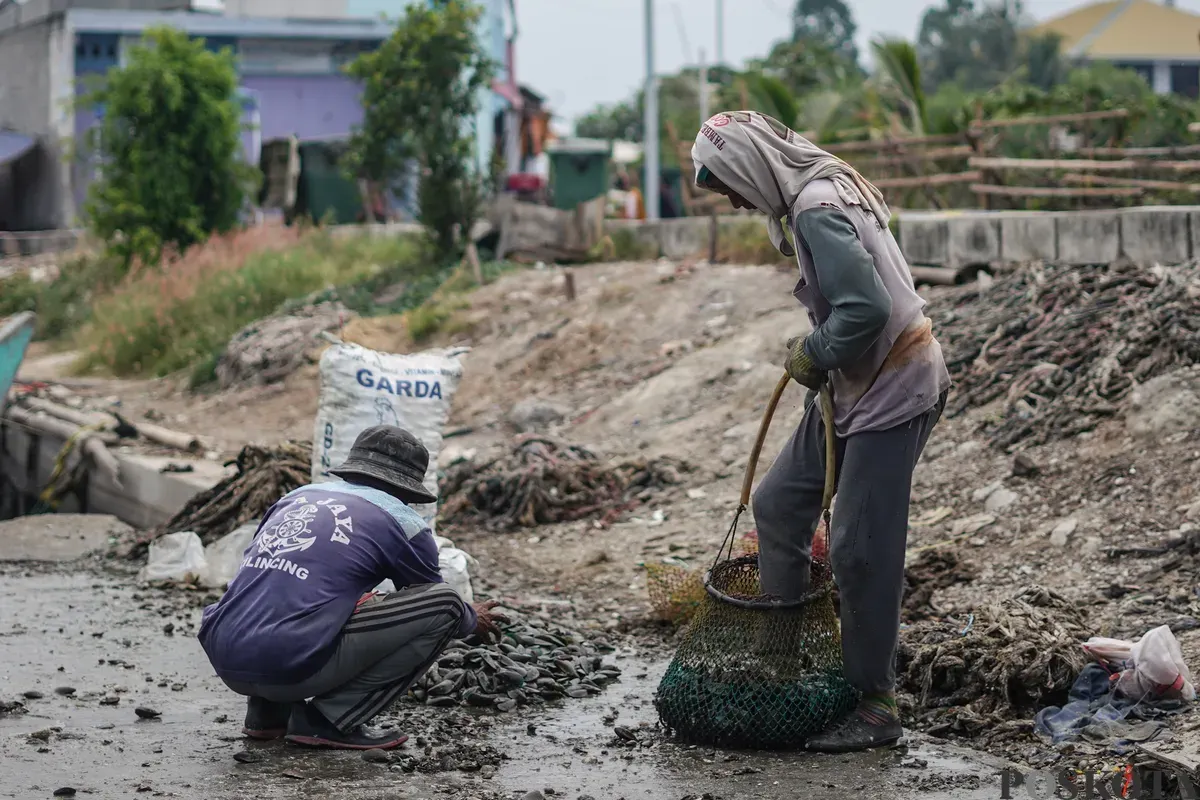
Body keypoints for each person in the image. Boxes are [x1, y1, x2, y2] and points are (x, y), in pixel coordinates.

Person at [691, 110, 951, 753]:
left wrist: (817, 348)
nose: (733, 199)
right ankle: (783, 661)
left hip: (893, 384)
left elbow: (867, 309)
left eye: (728, 185)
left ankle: (875, 703)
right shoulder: (820, 185)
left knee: (861, 550)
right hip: (852, 385)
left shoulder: (816, 204)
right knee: (778, 503)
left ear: (749, 167)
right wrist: (827, 357)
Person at [198, 425, 501, 750]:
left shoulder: (295, 498)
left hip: (225, 652)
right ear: (407, 488)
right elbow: (429, 601)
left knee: (304, 595)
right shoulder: (405, 521)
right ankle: (329, 720)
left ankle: (267, 713)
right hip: (288, 665)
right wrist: (471, 617)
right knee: (449, 606)